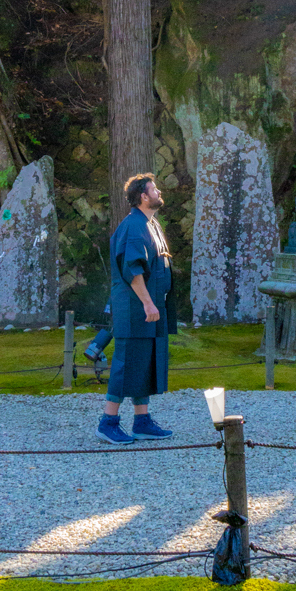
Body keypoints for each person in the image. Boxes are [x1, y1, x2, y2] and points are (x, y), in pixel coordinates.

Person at [97, 173, 176, 445]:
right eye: (155, 189)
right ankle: (108, 422)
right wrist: (147, 302)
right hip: (135, 308)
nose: (158, 192)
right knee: (126, 361)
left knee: (144, 361)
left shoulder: (149, 224)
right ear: (144, 196)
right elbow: (132, 269)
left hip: (149, 308)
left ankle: (142, 421)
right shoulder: (133, 226)